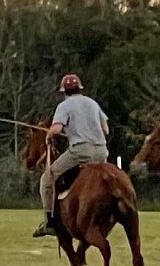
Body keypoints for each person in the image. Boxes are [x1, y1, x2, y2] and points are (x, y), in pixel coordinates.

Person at [33, 73, 109, 238]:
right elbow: (106, 130)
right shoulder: (93, 103)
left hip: (81, 151)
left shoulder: (64, 106)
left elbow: (57, 128)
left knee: (48, 177)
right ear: (80, 88)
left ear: (64, 92)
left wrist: (49, 136)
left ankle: (50, 222)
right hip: (102, 150)